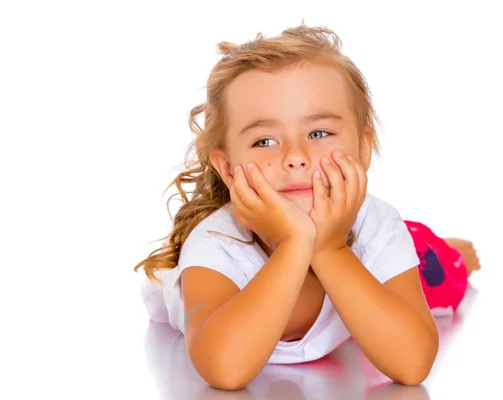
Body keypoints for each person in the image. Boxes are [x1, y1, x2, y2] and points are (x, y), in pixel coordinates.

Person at [133, 22, 481, 391]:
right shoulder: (217, 242)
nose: (296, 157)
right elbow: (225, 371)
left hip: (379, 251)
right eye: (264, 140)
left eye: (318, 133)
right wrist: (296, 244)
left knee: (435, 267)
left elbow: (411, 367)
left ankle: (439, 248)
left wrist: (330, 249)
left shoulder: (376, 224)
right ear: (228, 168)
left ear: (363, 149)